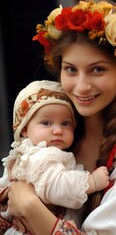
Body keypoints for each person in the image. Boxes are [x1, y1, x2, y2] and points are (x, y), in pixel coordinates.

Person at [7, 0, 116, 235]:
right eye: (71, 69)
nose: (81, 86)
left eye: (97, 69)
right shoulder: (58, 130)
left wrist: (29, 206)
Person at [0, 80, 109, 234]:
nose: (57, 130)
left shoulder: (19, 155)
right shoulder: (45, 155)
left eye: (65, 123)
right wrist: (91, 182)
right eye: (46, 123)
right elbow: (57, 186)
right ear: (24, 128)